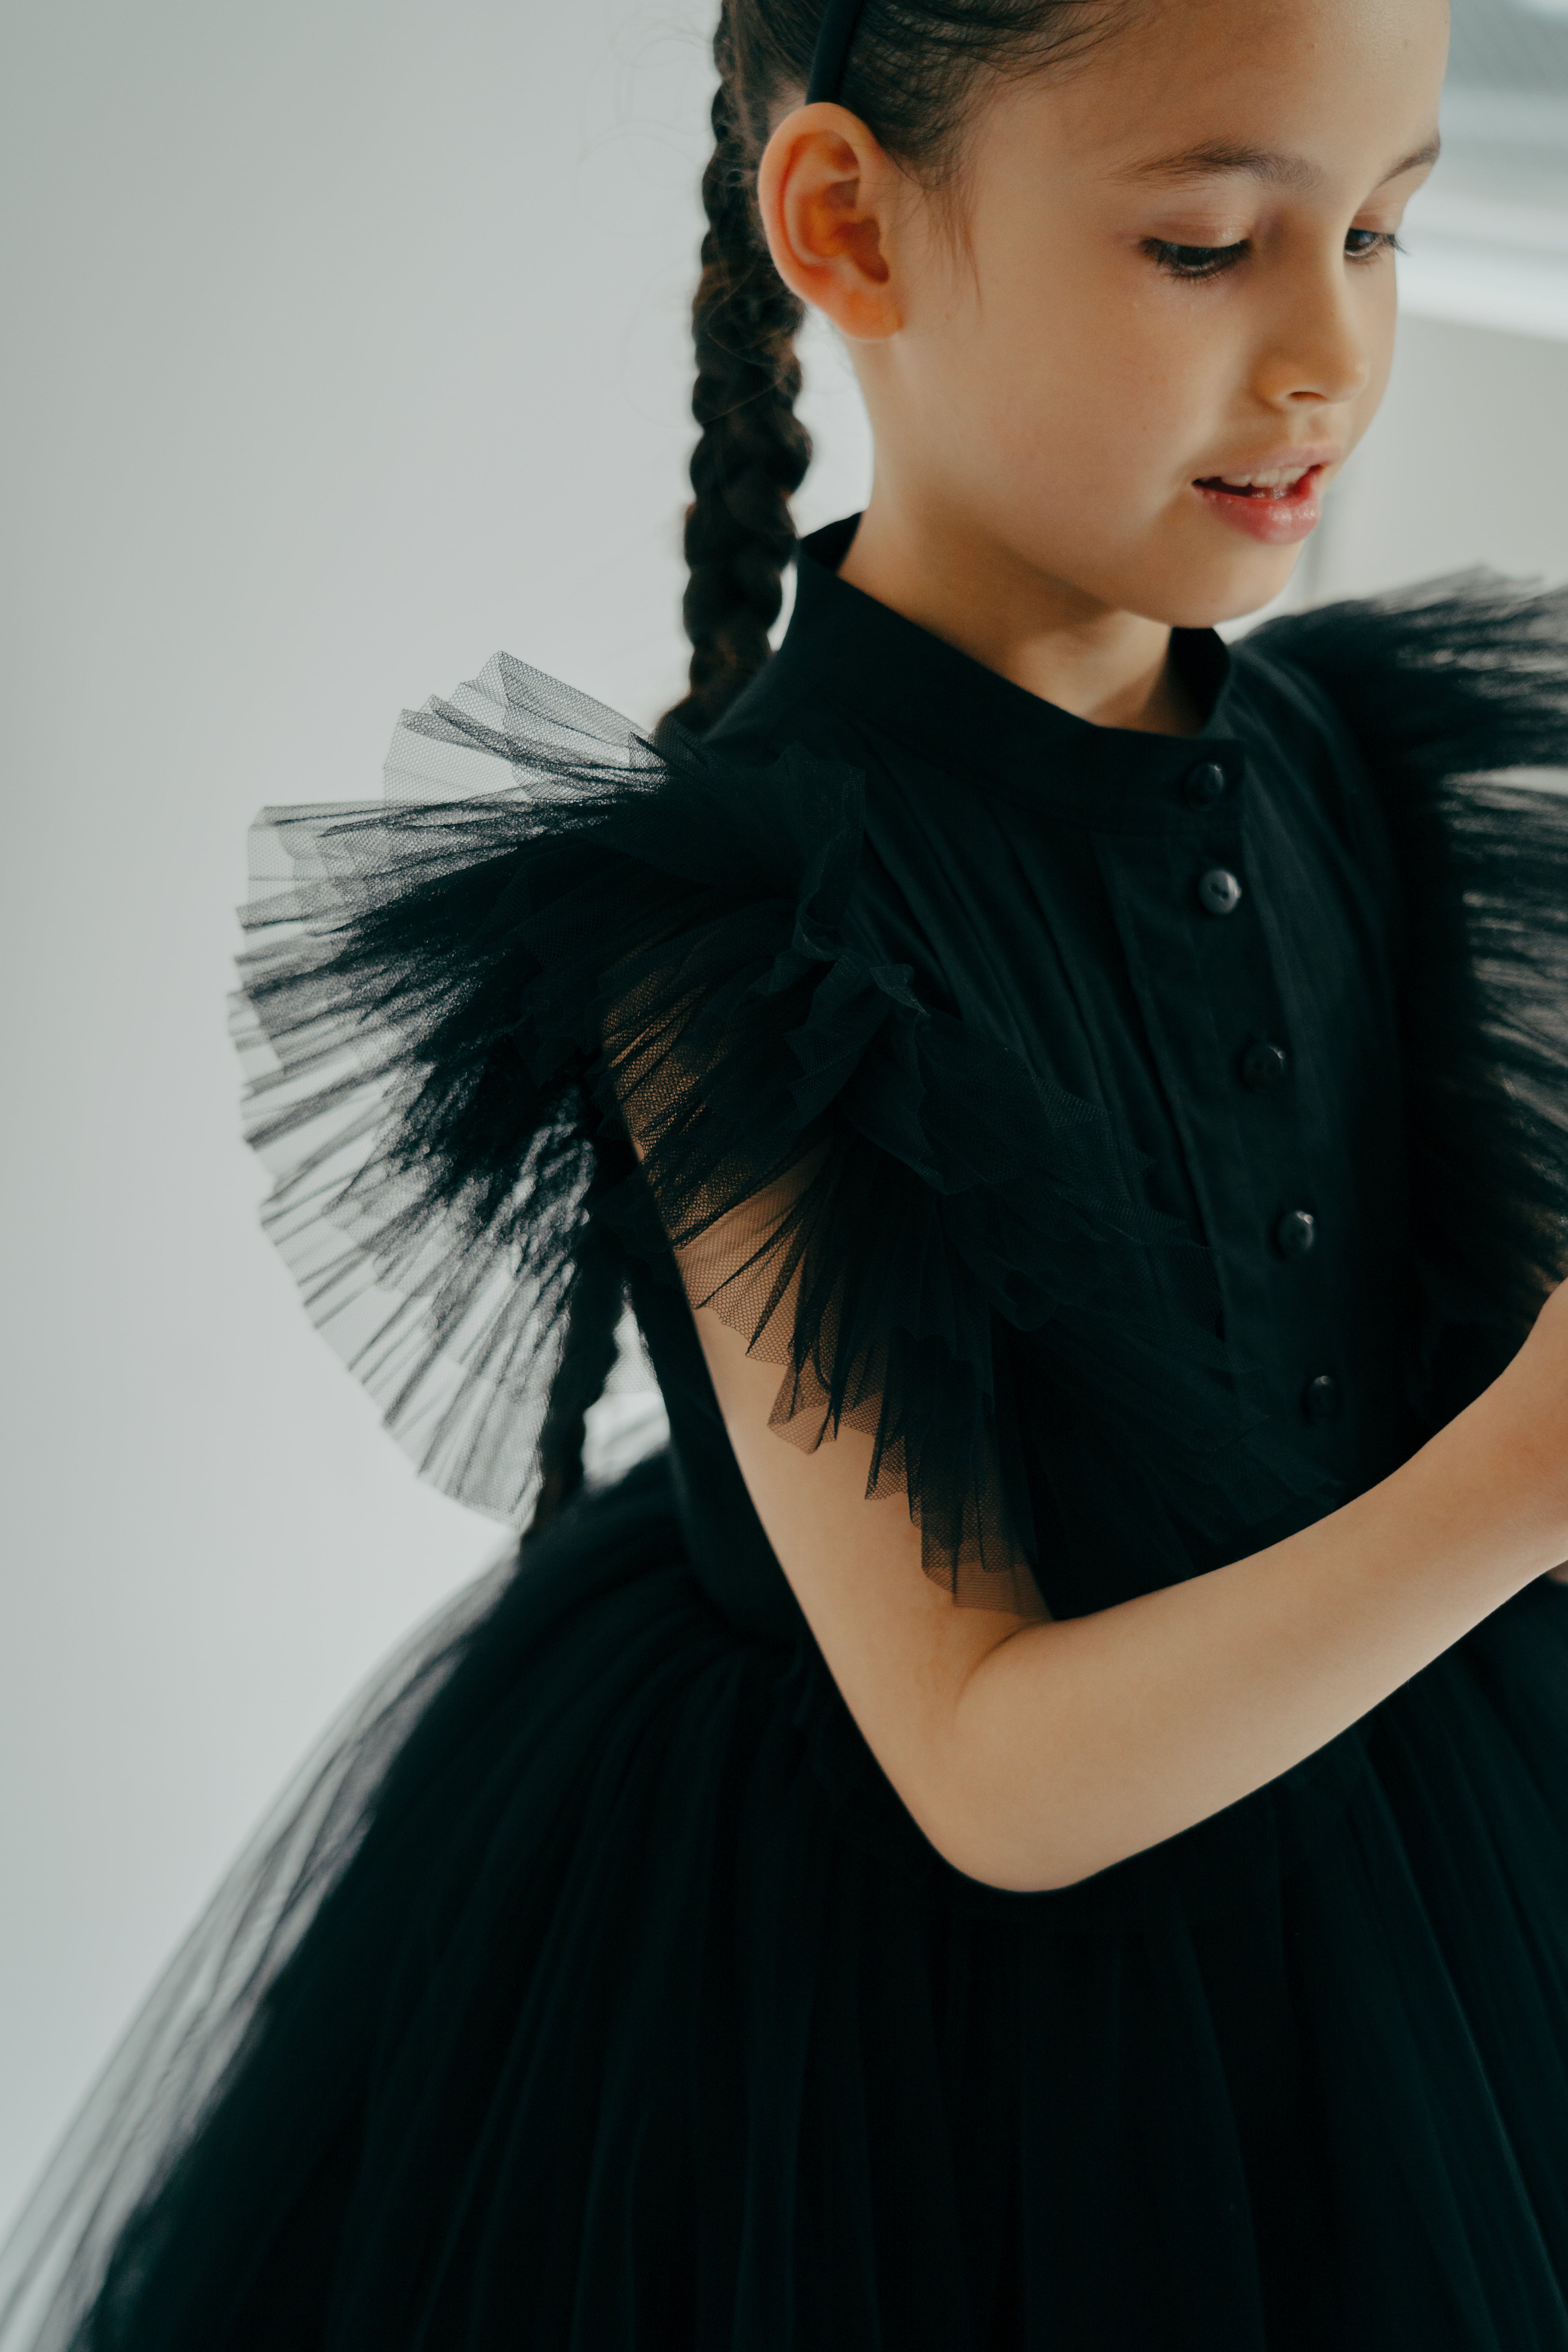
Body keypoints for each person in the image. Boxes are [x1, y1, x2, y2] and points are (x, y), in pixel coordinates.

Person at [7, 0, 1568, 2342]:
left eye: (1378, 228)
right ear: (849, 222)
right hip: (907, 2061)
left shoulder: (1356, 758)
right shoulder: (738, 944)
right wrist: (1521, 1491)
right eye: (1206, 244)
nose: (1332, 344)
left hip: (1416, 1875)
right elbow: (983, 1762)